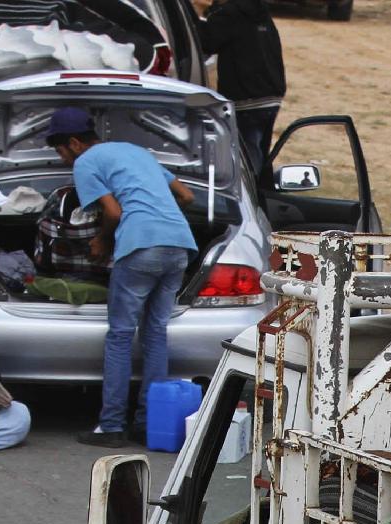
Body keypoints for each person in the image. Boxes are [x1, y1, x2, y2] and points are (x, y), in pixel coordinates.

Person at [45, 105, 198, 447]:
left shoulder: (86, 162)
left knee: (120, 336)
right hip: (179, 245)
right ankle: (148, 423)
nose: (62, 159)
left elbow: (113, 211)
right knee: (155, 333)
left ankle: (112, 425)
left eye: (59, 151)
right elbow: (186, 196)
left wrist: (101, 240)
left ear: (74, 143)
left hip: (140, 248)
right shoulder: (135, 152)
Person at [194, 0, 286, 173]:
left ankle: (249, 197)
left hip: (246, 98)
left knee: (245, 163)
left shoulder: (229, 14)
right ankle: (259, 193)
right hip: (271, 96)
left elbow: (205, 41)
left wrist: (198, 12)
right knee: (257, 156)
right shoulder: (259, 11)